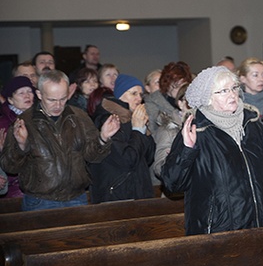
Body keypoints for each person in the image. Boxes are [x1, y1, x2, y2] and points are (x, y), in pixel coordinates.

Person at [161, 66, 263, 235]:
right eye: (223, 91)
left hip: (262, 223)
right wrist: (187, 150)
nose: (232, 94)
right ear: (208, 97)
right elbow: (173, 183)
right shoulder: (196, 130)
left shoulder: (251, 121)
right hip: (220, 229)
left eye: (233, 88)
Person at [0, 70, 120, 211]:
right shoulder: (24, 122)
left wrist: (103, 138)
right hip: (39, 201)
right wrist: (21, 145)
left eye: (63, 99)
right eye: (51, 100)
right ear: (39, 94)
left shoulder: (79, 116)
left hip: (77, 197)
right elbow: (10, 167)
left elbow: (92, 157)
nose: (58, 105)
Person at [89, 74, 155, 204]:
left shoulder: (134, 118)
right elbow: (127, 160)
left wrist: (144, 130)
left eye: (141, 95)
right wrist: (137, 130)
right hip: (118, 195)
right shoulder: (109, 120)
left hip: (138, 191)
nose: (138, 99)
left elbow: (149, 157)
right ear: (119, 95)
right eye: (133, 93)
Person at [0, 76, 36, 198]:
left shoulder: (41, 118)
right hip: (14, 187)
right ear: (10, 99)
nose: (27, 96)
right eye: (21, 93)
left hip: (40, 184)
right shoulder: (3, 124)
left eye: (30, 91)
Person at [151, 83, 190, 187]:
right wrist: (174, 159)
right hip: (177, 193)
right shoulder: (168, 129)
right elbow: (159, 168)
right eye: (190, 101)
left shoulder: (203, 127)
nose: (195, 106)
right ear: (180, 103)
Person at [144, 61, 192, 133]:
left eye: (183, 85)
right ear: (167, 85)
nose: (180, 90)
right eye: (176, 86)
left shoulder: (189, 100)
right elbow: (152, 131)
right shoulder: (152, 103)